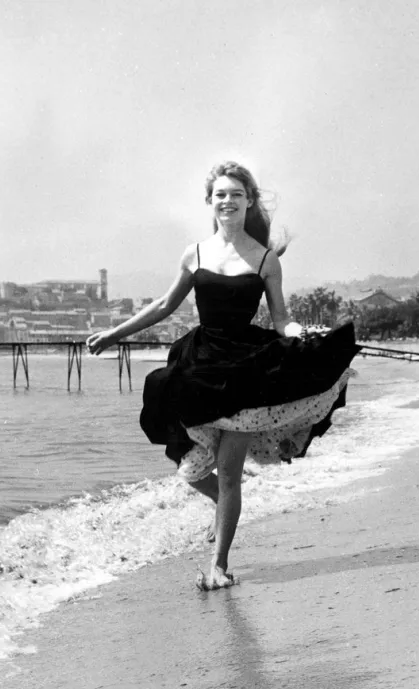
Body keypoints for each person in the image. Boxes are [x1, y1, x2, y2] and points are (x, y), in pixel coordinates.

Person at [87, 161, 360, 590]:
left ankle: (219, 565)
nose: (227, 201)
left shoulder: (266, 259)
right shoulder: (195, 253)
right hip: (199, 366)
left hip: (247, 373)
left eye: (236, 194)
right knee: (193, 470)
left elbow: (281, 319)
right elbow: (163, 307)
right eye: (220, 194)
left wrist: (298, 333)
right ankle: (224, 507)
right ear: (210, 202)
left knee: (229, 474)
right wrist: (115, 333)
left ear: (248, 201)